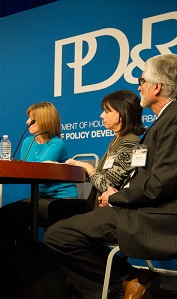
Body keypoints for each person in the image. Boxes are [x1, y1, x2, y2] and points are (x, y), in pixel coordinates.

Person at [44, 53, 177, 299]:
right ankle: (130, 281)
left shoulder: (173, 120)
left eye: (142, 80)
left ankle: (122, 285)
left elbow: (160, 184)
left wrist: (117, 197)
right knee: (57, 220)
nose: (139, 86)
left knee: (58, 236)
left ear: (156, 87)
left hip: (154, 217)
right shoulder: (164, 121)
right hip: (139, 206)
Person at [0, 102, 78, 296]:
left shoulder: (57, 143)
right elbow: (24, 171)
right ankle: (17, 263)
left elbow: (37, 170)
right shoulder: (28, 142)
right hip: (40, 197)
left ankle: (29, 262)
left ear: (44, 120)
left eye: (31, 119)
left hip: (61, 199)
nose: (27, 122)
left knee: (14, 214)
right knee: (4, 215)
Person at [47, 90, 146, 224]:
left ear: (122, 114)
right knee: (56, 208)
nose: (101, 115)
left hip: (110, 212)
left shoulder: (130, 143)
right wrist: (72, 167)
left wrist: (88, 167)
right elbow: (100, 178)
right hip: (94, 204)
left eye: (107, 111)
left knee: (56, 228)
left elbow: (107, 185)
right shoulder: (116, 140)